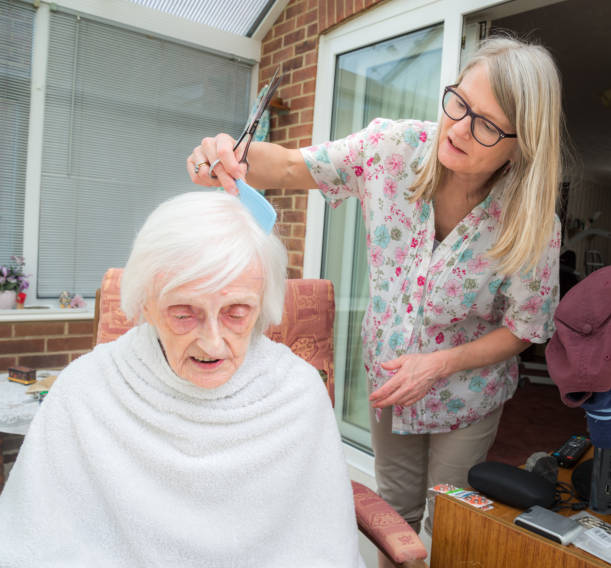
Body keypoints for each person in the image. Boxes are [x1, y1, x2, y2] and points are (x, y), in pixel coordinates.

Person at [187, 34, 564, 561]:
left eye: (485, 124)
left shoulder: (533, 223)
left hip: (466, 397)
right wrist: (229, 154)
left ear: (523, 143)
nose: (456, 129)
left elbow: (527, 327)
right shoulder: (394, 148)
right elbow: (293, 167)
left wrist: (439, 365)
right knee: (396, 518)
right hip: (389, 380)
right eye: (459, 103)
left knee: (445, 528)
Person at [0, 192, 364, 567]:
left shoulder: (297, 393)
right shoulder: (86, 388)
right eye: (183, 314)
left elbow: (322, 546)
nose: (212, 342)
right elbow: (35, 541)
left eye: (236, 313)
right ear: (146, 305)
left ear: (262, 306)